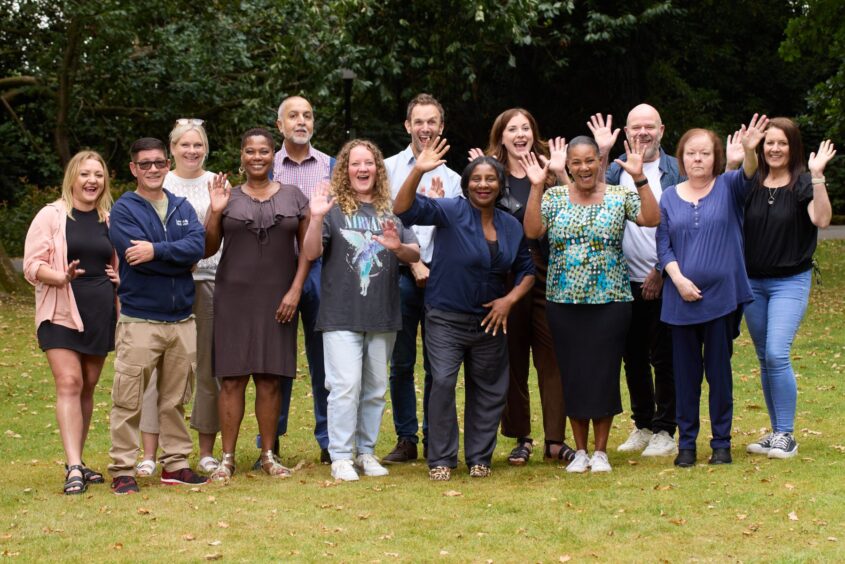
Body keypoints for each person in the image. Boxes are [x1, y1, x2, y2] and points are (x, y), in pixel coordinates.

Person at [395, 138, 536, 481]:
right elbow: (403, 208)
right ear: (466, 183)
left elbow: (527, 271)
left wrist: (509, 300)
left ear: (501, 185)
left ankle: (479, 458)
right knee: (442, 381)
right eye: (477, 179)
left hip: (490, 319)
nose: (483, 185)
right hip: (446, 315)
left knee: (488, 387)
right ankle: (442, 457)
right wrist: (418, 170)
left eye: (491, 179)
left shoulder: (510, 225)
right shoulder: (449, 210)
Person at [523, 135, 659, 474]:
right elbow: (532, 229)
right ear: (567, 165)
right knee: (573, 373)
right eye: (577, 162)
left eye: (590, 160)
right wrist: (537, 186)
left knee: (603, 372)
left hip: (610, 300)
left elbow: (651, 218)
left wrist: (640, 178)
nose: (584, 167)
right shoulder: (554, 197)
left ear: (600, 163)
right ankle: (579, 450)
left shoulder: (618, 195)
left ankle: (601, 451)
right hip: (563, 300)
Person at [303, 139, 420, 482]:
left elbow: (415, 254)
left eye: (369, 163)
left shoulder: (391, 209)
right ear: (345, 170)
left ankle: (366, 452)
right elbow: (310, 252)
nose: (363, 169)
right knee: (345, 385)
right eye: (355, 164)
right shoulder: (334, 209)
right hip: (342, 313)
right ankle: (340, 455)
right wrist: (315, 218)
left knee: (375, 387)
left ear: (378, 169)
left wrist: (398, 247)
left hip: (382, 313)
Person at [656, 115, 768, 468]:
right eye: (691, 153)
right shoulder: (670, 197)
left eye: (705, 153)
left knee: (719, 375)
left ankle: (721, 442)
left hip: (720, 300)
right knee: (685, 377)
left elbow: (750, 174)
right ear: (681, 158)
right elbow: (664, 246)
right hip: (679, 301)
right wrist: (678, 279)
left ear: (716, 157)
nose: (698, 159)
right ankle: (686, 445)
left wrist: (750, 151)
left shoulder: (730, 186)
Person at [468, 108, 574, 466]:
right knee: (511, 357)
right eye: (512, 128)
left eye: (525, 127)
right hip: (507, 275)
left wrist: (558, 173)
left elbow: (578, 204)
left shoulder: (550, 167)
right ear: (501, 136)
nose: (520, 134)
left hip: (549, 271)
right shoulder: (490, 174)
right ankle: (521, 437)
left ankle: (556, 441)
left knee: (552, 355)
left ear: (534, 132)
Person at [204, 128, 310, 481]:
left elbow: (310, 251)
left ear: (273, 156)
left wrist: (295, 290)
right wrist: (215, 212)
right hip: (233, 297)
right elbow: (207, 247)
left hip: (278, 297)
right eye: (250, 151)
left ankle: (268, 454)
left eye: (264, 151)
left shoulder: (294, 196)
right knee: (232, 379)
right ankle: (228, 458)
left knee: (270, 379)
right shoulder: (228, 197)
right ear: (242, 156)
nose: (257, 157)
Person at [728, 118, 835, 459]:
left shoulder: (804, 182)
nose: (775, 149)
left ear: (793, 147)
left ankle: (786, 434)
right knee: (764, 358)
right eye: (769, 143)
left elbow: (821, 220)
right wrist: (744, 154)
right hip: (753, 282)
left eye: (782, 143)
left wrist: (818, 176)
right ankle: (776, 432)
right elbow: (734, 183)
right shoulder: (753, 183)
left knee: (776, 352)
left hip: (790, 280)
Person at [108, 137, 208, 494]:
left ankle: (176, 464)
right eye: (145, 164)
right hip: (140, 320)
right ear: (134, 169)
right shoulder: (124, 210)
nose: (153, 169)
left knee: (175, 397)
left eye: (159, 163)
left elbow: (198, 247)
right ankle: (123, 468)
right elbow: (138, 260)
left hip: (181, 319)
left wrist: (157, 251)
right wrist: (176, 260)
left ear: (167, 165)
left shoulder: (181, 206)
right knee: (129, 398)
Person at [23, 151, 118, 494]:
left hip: (99, 311)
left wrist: (119, 281)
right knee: (69, 382)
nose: (92, 180)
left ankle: (75, 460)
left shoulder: (109, 218)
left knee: (88, 386)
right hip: (60, 309)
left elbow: (116, 262)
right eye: (85, 174)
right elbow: (32, 265)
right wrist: (60, 276)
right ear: (72, 179)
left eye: (98, 174)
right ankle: (74, 467)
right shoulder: (51, 216)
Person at [136, 118, 226, 477]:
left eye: (198, 145)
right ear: (171, 150)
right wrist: (179, 255)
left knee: (206, 368)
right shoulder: (160, 183)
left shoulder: (217, 183)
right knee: (156, 370)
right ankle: (149, 453)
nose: (192, 151)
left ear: (205, 148)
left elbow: (216, 239)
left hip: (210, 282)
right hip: (165, 285)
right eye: (184, 145)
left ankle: (205, 450)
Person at [595, 106, 684, 457]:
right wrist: (602, 151)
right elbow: (594, 197)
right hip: (622, 278)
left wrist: (662, 270)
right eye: (636, 127)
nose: (643, 133)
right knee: (631, 356)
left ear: (661, 129)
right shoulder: (615, 169)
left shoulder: (676, 170)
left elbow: (685, 224)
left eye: (650, 127)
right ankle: (643, 424)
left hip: (667, 276)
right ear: (626, 131)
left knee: (664, 356)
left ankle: (666, 428)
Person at [382, 93, 462, 464]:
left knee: (438, 364)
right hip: (398, 274)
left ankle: (434, 435)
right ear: (407, 126)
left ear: (441, 127)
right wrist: (414, 263)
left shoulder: (454, 179)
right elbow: (391, 219)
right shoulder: (388, 168)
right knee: (400, 363)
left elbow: (455, 229)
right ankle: (406, 437)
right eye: (419, 121)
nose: (425, 128)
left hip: (441, 280)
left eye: (432, 122)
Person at [267, 95, 335, 465]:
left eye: (307, 115)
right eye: (293, 116)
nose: (301, 121)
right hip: (277, 270)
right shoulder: (266, 164)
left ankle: (328, 439)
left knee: (324, 357)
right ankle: (271, 438)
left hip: (322, 272)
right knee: (277, 358)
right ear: (280, 125)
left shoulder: (330, 166)